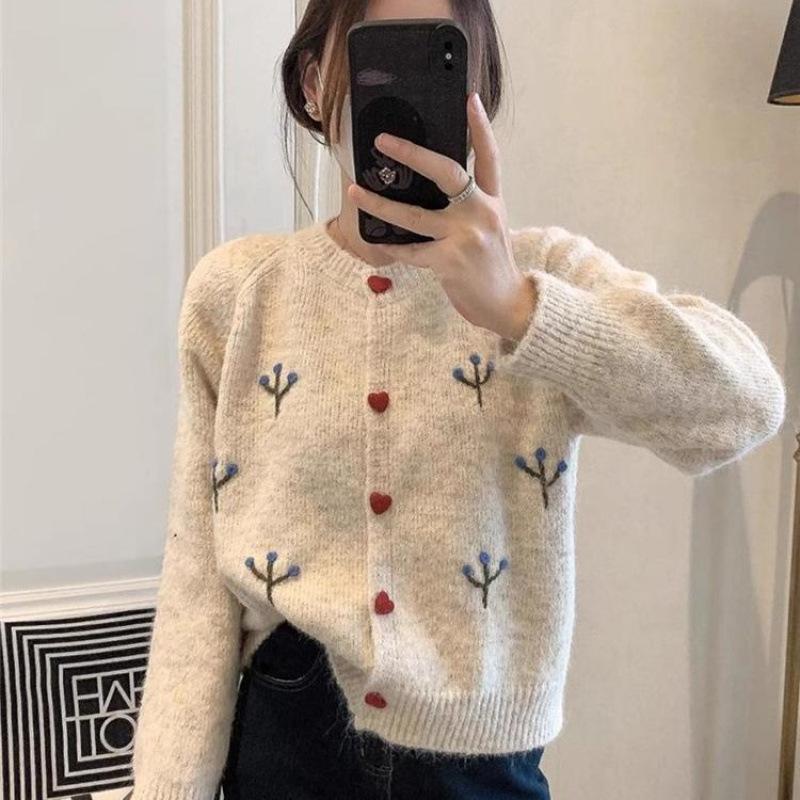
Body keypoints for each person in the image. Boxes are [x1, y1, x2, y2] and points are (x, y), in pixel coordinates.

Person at [127, 1, 788, 798]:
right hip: (287, 736)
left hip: (481, 762)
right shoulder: (238, 294)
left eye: (438, 60)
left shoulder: (545, 275)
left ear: (476, 89)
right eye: (376, 56)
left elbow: (745, 406)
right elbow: (196, 590)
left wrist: (522, 310)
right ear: (312, 79)